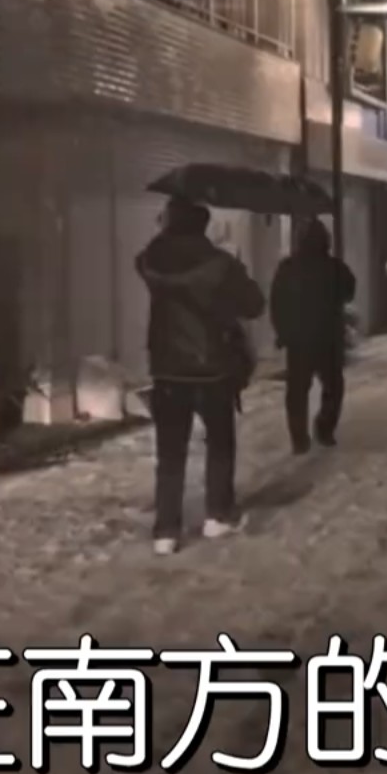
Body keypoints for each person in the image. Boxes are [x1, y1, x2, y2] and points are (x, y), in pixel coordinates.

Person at [136, 197, 265, 553]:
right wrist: (234, 277)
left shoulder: (150, 262)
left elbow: (154, 257)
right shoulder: (221, 264)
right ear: (203, 225)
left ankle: (166, 531)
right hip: (213, 368)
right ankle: (218, 515)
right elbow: (254, 305)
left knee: (170, 451)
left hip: (167, 369)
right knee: (219, 442)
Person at [270, 219, 357, 453]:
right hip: (328, 337)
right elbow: (350, 291)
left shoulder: (288, 268)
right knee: (333, 386)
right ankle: (324, 429)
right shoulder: (334, 267)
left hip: (298, 339)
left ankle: (299, 437)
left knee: (297, 391)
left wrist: (282, 332)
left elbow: (277, 303)